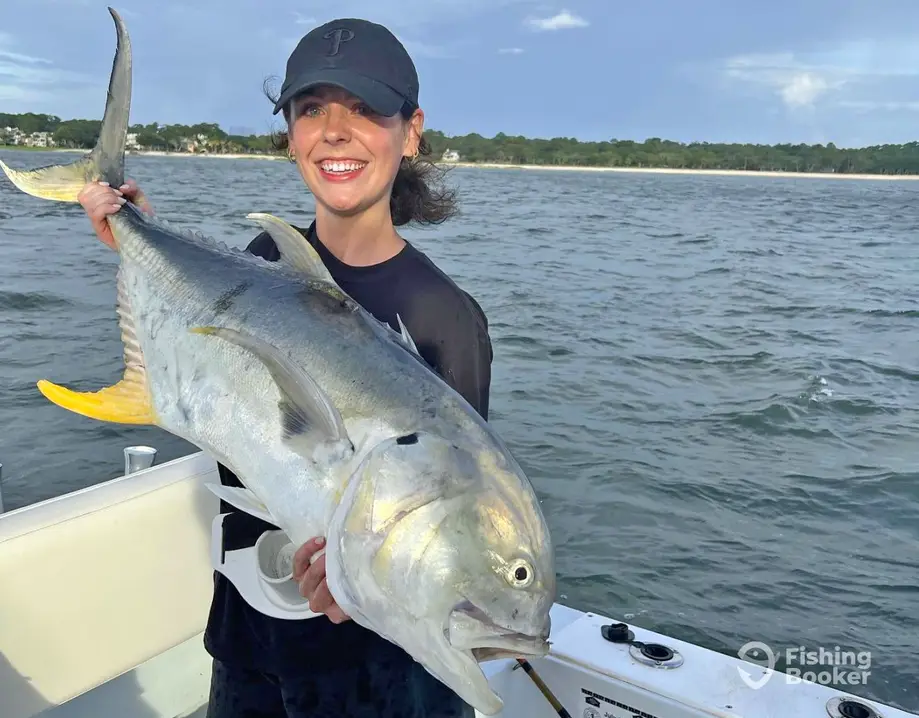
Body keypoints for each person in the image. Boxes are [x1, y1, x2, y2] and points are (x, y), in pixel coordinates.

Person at [76, 16, 493, 718]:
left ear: (411, 130)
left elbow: (455, 512)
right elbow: (215, 363)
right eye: (310, 110)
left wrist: (366, 579)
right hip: (245, 631)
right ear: (292, 135)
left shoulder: (441, 315)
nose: (334, 130)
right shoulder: (264, 262)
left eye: (363, 108)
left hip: (371, 665)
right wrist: (131, 232)